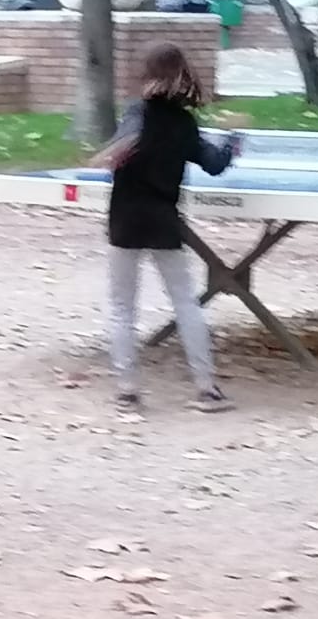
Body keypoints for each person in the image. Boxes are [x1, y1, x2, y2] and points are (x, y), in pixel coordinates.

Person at [99, 41, 238, 415]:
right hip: (163, 219)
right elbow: (214, 164)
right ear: (182, 73)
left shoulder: (136, 113)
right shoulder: (183, 123)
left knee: (122, 307)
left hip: (125, 218)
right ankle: (206, 388)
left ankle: (127, 391)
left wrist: (114, 152)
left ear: (146, 72)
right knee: (185, 303)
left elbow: (124, 144)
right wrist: (232, 144)